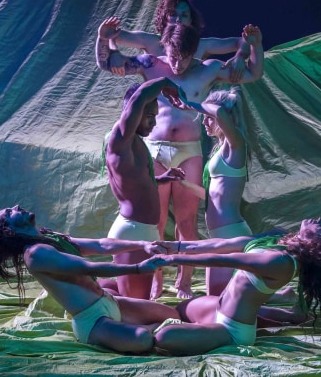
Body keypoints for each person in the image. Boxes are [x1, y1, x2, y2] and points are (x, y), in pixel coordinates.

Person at [96, 17, 264, 300]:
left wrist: (250, 48)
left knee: (187, 222)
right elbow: (109, 63)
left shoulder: (208, 69)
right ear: (165, 48)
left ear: (194, 52)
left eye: (184, 60)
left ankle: (184, 282)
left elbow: (253, 73)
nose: (177, 65)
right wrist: (103, 38)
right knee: (156, 221)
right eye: (173, 58)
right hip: (155, 144)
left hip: (189, 148)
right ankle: (155, 282)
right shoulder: (150, 64)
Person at [150, 217, 321, 356]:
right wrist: (178, 246)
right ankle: (286, 310)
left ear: (317, 244)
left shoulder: (280, 261)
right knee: (180, 309)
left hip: (232, 330)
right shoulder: (279, 238)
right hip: (218, 307)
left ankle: (285, 311)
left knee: (162, 337)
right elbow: (223, 245)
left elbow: (224, 259)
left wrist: (173, 260)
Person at [0, 205, 180, 354]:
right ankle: (138, 330)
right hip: (93, 321)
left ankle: (139, 328)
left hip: (109, 302)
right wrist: (138, 268)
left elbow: (101, 245)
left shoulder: (48, 236)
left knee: (172, 315)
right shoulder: (35, 253)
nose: (16, 207)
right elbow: (88, 267)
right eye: (9, 213)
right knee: (143, 340)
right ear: (9, 230)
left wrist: (143, 245)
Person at [104, 77, 187, 300]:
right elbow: (140, 96)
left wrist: (161, 178)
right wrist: (167, 82)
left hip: (141, 229)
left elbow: (135, 184)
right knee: (135, 305)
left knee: (137, 301)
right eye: (149, 116)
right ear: (132, 113)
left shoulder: (135, 143)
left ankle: (102, 292)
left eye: (155, 117)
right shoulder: (120, 139)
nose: (154, 123)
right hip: (134, 230)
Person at [173, 87, 252, 296]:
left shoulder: (236, 144)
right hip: (218, 236)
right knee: (216, 297)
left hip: (230, 235)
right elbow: (212, 198)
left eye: (208, 117)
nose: (204, 121)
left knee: (219, 300)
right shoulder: (221, 148)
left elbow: (220, 113)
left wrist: (189, 103)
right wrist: (184, 184)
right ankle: (281, 295)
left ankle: (280, 300)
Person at [107, 0, 250, 83]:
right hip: (156, 115)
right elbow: (110, 32)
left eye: (184, 15)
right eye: (173, 14)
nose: (178, 19)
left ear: (191, 20)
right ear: (165, 17)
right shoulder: (151, 41)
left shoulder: (200, 45)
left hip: (189, 115)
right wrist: (114, 52)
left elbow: (244, 40)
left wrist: (240, 57)